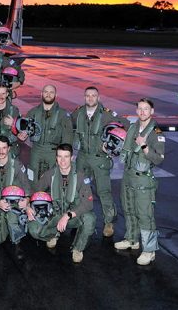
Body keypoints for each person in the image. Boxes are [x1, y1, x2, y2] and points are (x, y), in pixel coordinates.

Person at [71, 86, 130, 238]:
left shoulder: (107, 114)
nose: (90, 98)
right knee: (78, 190)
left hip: (100, 158)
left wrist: (114, 144)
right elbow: (68, 127)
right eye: (88, 96)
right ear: (84, 97)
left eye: (93, 95)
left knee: (103, 191)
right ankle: (77, 217)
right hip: (82, 157)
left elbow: (126, 125)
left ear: (99, 97)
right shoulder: (78, 113)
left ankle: (109, 221)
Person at [114, 98, 166, 266]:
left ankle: (149, 250)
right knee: (128, 208)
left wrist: (144, 146)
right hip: (128, 175)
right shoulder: (134, 127)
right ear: (137, 111)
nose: (143, 112)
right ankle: (131, 239)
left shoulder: (156, 132)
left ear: (152, 112)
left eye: (146, 109)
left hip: (143, 178)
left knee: (145, 215)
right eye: (140, 109)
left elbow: (159, 159)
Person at [26, 143, 95, 263]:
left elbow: (88, 204)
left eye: (66, 157)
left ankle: (78, 248)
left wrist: (68, 215)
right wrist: (28, 206)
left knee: (90, 219)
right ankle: (53, 234)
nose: (63, 160)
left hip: (73, 216)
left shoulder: (80, 177)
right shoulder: (49, 175)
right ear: (56, 158)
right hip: (54, 215)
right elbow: (33, 191)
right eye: (59, 156)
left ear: (72, 158)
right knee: (33, 228)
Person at [19, 85, 73, 187]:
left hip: (53, 152)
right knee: (32, 178)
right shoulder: (33, 112)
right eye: (46, 92)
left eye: (51, 92)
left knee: (53, 181)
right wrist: (21, 136)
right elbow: (24, 131)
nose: (48, 94)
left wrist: (64, 157)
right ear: (41, 94)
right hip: (36, 150)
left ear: (56, 95)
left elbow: (68, 137)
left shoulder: (63, 115)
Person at [0, 136, 30, 244]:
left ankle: (15, 220)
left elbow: (26, 185)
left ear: (8, 149)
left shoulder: (16, 164)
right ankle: (4, 222)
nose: (1, 151)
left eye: (4, 148)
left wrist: (26, 200)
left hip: (14, 202)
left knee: (15, 239)